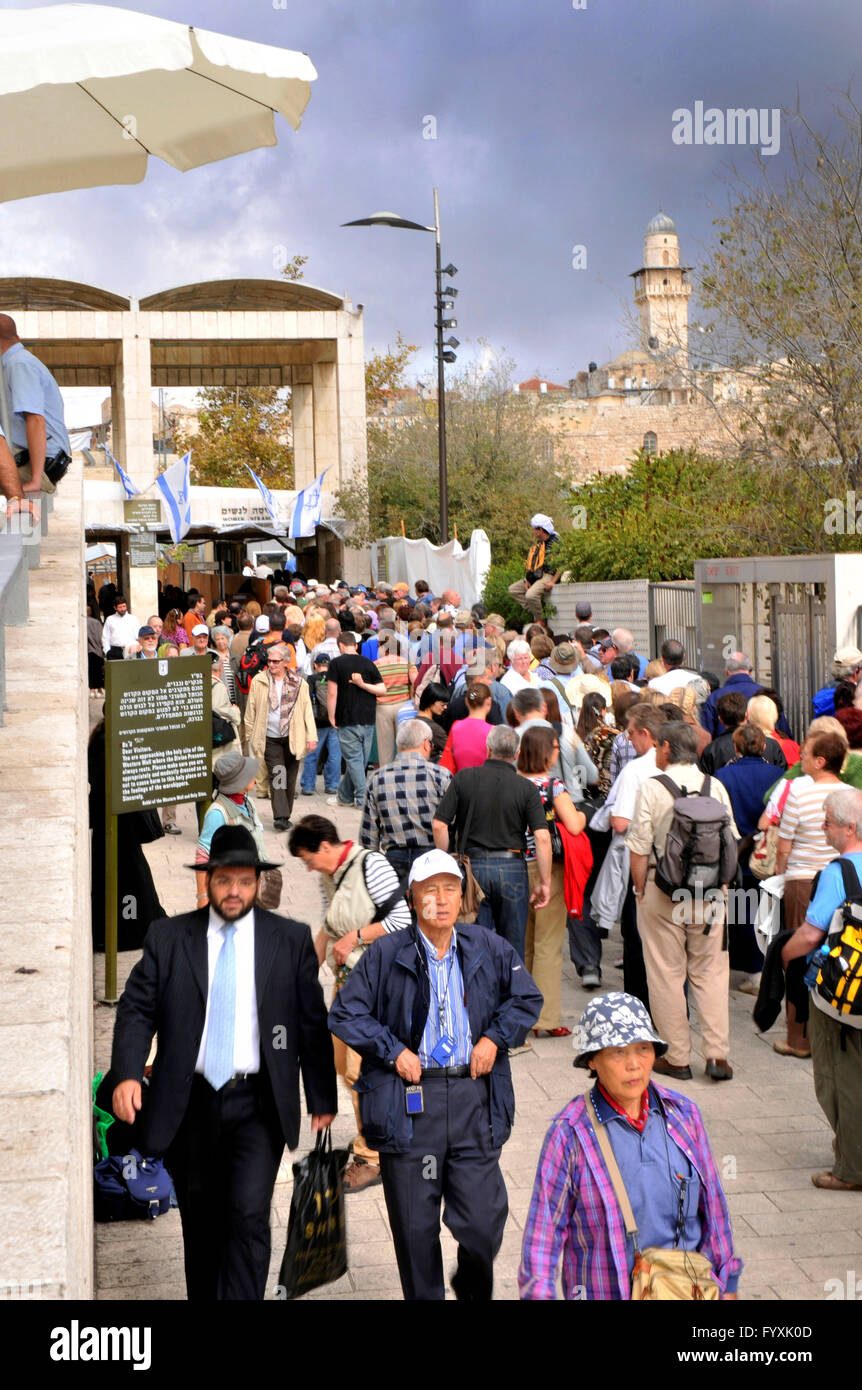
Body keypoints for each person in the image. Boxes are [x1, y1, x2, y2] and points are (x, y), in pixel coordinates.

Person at [110, 824, 337, 1300]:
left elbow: (310, 1022)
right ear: (208, 880)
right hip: (188, 1103)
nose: (234, 891)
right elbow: (137, 1008)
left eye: (244, 881)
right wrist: (129, 1072)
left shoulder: (289, 940)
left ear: (258, 883)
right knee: (202, 1219)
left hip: (258, 1103)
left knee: (249, 1214)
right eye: (224, 880)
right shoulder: (168, 938)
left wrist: (321, 1096)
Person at [329, 848, 542, 1299]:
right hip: (410, 1102)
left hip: (472, 1096)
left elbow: (526, 998)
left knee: (483, 1222)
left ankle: (470, 1280)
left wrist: (493, 1039)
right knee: (414, 1229)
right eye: (431, 890)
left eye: (450, 889)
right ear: (412, 898)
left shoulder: (488, 946)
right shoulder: (386, 953)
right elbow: (345, 1013)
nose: (442, 900)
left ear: (462, 896)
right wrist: (392, 1051)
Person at [518, 992, 742, 1300]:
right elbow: (542, 1240)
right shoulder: (569, 1134)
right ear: (592, 1060)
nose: (634, 1064)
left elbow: (713, 1207)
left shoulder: (684, 1115)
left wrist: (727, 1284)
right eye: (618, 1053)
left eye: (643, 1049)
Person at [289, 815, 411, 1193]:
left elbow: (403, 920)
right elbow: (330, 922)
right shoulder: (331, 874)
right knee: (343, 1065)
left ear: (326, 847)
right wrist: (313, 956)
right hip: (346, 985)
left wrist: (356, 936)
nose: (308, 866)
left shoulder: (370, 864)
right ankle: (376, 1137)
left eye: (309, 858)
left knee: (359, 1070)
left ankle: (372, 1154)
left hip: (375, 986)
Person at [625, 721, 739, 1082]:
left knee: (666, 973)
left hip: (663, 889)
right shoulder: (715, 786)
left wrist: (640, 889)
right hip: (709, 894)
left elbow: (639, 847)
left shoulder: (652, 788)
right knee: (712, 973)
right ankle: (717, 1055)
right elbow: (731, 840)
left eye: (657, 744)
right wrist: (723, 887)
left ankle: (676, 1056)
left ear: (667, 747)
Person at [781, 788, 862, 1190]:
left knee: (836, 1077)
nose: (822, 826)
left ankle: (851, 1168)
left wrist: (783, 956)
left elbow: (811, 936)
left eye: (827, 821)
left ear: (849, 828)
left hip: (842, 997)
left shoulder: (838, 873)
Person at [433, 725, 552, 960]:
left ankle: (477, 993)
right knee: (513, 946)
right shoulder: (526, 788)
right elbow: (542, 836)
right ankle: (509, 992)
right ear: (516, 755)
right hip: (513, 869)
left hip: (472, 867)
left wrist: (445, 860)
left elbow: (439, 825)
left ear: (487, 749)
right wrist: (545, 881)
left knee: (473, 944)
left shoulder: (465, 778)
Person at [772, 730, 844, 1056]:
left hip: (803, 882)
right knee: (841, 954)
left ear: (820, 761)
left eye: (805, 755)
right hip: (847, 881)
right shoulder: (853, 795)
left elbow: (783, 847)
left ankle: (798, 1039)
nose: (799, 760)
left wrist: (778, 875)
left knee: (799, 956)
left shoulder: (799, 796)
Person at [518, 725, 586, 1036]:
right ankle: (545, 1018)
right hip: (547, 870)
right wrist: (583, 815)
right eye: (556, 748)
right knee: (548, 944)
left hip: (515, 867)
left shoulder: (511, 782)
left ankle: (522, 1010)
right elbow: (573, 824)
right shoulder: (551, 786)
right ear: (546, 752)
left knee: (526, 943)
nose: (558, 752)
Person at [360, 718, 452, 890]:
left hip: (394, 860)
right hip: (431, 859)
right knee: (428, 914)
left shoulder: (378, 778)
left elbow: (368, 837)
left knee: (398, 914)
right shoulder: (441, 775)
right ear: (426, 744)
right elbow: (451, 823)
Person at [243, 642, 317, 831]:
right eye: (269, 661)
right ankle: (281, 816)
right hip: (270, 737)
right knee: (278, 773)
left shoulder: (300, 683)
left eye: (276, 661)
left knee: (290, 778)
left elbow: (307, 710)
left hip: (293, 736)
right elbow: (250, 710)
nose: (272, 665)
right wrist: (251, 735)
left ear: (285, 662)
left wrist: (312, 736)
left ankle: (286, 813)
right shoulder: (260, 681)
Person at [0, 312, 71, 493]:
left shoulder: (19, 364)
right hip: (37, 458)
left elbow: (36, 420)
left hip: (43, 464)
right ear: (17, 337)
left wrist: (35, 480)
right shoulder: (17, 361)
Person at [326, 630, 386, 809]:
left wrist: (331, 715)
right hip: (368, 717)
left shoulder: (336, 663)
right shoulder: (368, 663)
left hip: (347, 717)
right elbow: (382, 690)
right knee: (359, 761)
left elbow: (332, 692)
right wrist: (364, 685)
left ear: (340, 646)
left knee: (354, 760)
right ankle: (344, 796)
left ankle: (362, 798)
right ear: (356, 645)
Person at [299, 652, 342, 797]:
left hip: (317, 722)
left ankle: (308, 786)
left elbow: (306, 701)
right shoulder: (335, 678)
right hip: (334, 721)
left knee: (312, 754)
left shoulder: (311, 679)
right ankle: (332, 785)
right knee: (335, 754)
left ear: (315, 665)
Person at [508, 513, 560, 621]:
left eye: (534, 529)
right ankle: (537, 610)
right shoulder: (540, 543)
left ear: (540, 530)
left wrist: (553, 581)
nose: (533, 532)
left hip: (548, 575)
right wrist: (528, 579)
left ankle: (541, 620)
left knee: (530, 595)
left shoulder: (556, 542)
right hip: (537, 574)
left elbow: (562, 564)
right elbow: (535, 563)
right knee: (513, 589)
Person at [439, 681, 494, 772]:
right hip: (486, 783)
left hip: (460, 782)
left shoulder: (456, 727)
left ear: (467, 701)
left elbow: (447, 762)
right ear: (489, 701)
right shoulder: (493, 731)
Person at [101, 595, 138, 660]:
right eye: (120, 607)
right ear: (115, 608)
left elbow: (138, 636)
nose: (123, 609)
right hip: (114, 651)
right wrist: (107, 651)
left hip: (130, 650)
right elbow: (105, 637)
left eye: (124, 606)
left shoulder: (133, 619)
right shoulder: (110, 619)